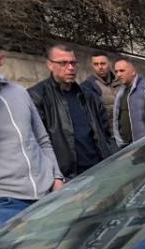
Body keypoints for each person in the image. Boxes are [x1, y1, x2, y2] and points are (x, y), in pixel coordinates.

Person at [29, 44, 115, 179]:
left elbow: (106, 132)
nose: (70, 68)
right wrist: (54, 177)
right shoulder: (37, 97)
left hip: (100, 169)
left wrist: (112, 158)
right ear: (50, 65)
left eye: (73, 63)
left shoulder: (88, 96)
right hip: (67, 178)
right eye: (63, 63)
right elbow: (34, 143)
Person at [0, 50, 63, 224]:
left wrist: (57, 177)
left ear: (1, 58)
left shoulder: (19, 92)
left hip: (48, 192)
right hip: (6, 203)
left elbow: (42, 139)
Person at [112, 57, 145, 148]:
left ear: (133, 72)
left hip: (142, 145)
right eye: (116, 71)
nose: (118, 74)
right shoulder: (121, 91)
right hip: (124, 145)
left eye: (122, 71)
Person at [81, 50, 121, 120]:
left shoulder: (120, 82)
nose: (100, 67)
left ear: (109, 63)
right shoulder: (88, 86)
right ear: (92, 65)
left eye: (103, 63)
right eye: (96, 64)